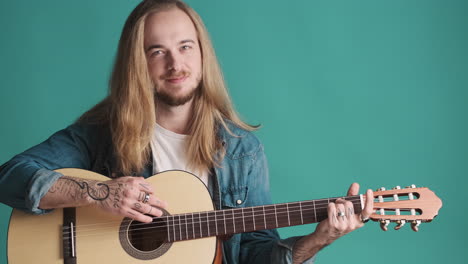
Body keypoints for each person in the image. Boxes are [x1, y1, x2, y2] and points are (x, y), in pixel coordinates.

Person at [0, 0, 373, 263]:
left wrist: (316, 241)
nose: (175, 64)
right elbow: (9, 177)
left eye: (185, 47)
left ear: (201, 54)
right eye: (157, 51)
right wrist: (99, 194)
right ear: (137, 64)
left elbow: (254, 255)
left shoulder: (243, 151)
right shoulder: (102, 132)